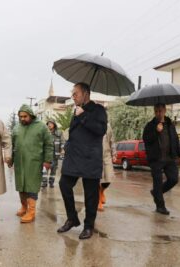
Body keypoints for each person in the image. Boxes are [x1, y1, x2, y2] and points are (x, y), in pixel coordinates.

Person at [57, 82, 107, 239]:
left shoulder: (98, 110)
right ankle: (72, 218)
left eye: (75, 94)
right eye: (72, 94)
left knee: (91, 195)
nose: (73, 97)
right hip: (74, 157)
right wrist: (68, 146)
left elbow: (101, 130)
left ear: (85, 94)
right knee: (64, 184)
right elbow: (73, 133)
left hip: (90, 158)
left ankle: (88, 226)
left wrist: (83, 115)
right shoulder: (76, 110)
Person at [11, 104, 53, 223]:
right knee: (21, 186)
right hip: (20, 162)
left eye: (25, 116)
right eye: (20, 117)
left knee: (31, 187)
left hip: (34, 162)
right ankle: (24, 207)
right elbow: (12, 145)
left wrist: (48, 160)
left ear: (31, 115)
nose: (22, 119)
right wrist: (11, 159)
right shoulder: (17, 128)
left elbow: (49, 144)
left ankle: (31, 212)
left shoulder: (41, 127)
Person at [142, 103, 180, 215]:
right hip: (156, 159)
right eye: (156, 111)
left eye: (160, 111)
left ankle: (156, 192)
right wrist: (156, 131)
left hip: (169, 158)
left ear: (165, 110)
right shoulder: (150, 125)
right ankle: (160, 207)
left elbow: (175, 140)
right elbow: (146, 139)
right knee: (157, 182)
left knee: (174, 179)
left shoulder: (170, 124)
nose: (158, 113)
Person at [41, 120, 65, 188]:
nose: (49, 125)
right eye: (48, 124)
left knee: (53, 170)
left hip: (55, 155)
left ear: (54, 124)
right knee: (45, 169)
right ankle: (44, 182)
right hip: (46, 155)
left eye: (51, 123)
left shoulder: (59, 133)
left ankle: (51, 182)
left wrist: (63, 149)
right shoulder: (45, 132)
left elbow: (63, 142)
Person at [98, 122, 116, 211]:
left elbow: (112, 141)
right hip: (96, 156)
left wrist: (114, 154)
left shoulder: (108, 126)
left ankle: (102, 191)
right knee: (97, 179)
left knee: (108, 179)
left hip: (107, 156)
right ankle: (98, 202)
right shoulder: (94, 123)